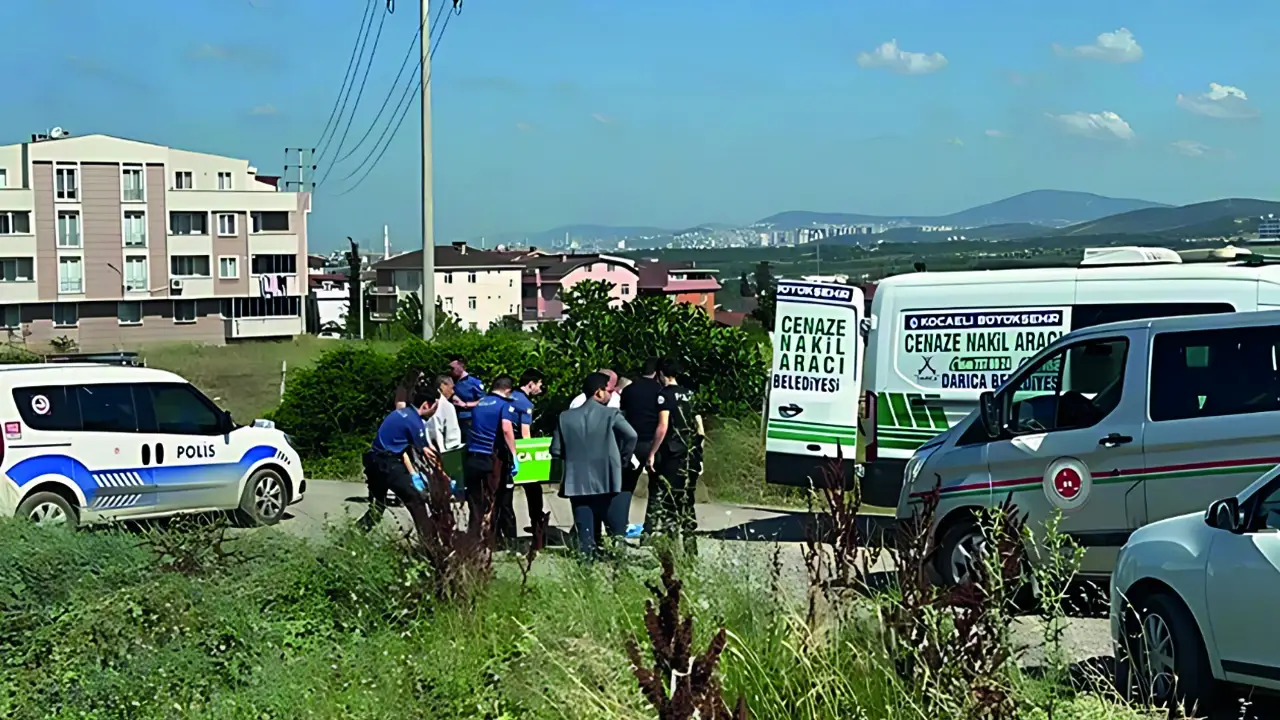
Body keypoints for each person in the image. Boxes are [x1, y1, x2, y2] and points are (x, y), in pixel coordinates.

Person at [551, 372, 638, 558]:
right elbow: (632, 436)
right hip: (608, 479)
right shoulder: (612, 414)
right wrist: (623, 459)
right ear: (598, 392)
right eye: (607, 390)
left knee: (585, 532)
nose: (610, 394)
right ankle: (616, 565)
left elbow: (556, 450)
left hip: (577, 482)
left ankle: (586, 565)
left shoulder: (564, 417)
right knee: (615, 528)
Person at [359, 383, 441, 539]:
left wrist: (412, 474)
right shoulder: (415, 422)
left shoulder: (398, 414)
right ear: (426, 405)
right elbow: (426, 453)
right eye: (435, 407)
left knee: (377, 509)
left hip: (374, 463)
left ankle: (348, 539)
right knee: (416, 501)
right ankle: (432, 548)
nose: (435, 412)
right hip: (388, 465)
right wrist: (446, 473)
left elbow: (401, 448)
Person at [646, 358, 705, 552]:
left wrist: (652, 452)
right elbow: (700, 430)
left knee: (670, 500)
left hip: (673, 452)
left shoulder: (664, 396)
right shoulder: (691, 395)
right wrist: (699, 453)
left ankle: (670, 546)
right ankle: (690, 546)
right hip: (691, 453)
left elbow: (663, 426)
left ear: (662, 374)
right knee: (688, 499)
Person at [463, 374, 520, 543]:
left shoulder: (480, 403)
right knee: (495, 500)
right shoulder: (505, 405)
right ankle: (495, 540)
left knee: (475, 503)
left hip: (472, 457)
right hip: (490, 458)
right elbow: (507, 430)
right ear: (508, 391)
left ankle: (473, 540)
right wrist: (514, 455)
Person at [622, 357, 663, 530]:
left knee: (626, 487)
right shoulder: (661, 391)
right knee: (655, 488)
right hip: (655, 443)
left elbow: (623, 415)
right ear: (657, 373)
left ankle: (620, 525)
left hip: (633, 443)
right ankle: (649, 528)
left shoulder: (629, 390)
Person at [511, 369, 546, 536]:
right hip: (518, 450)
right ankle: (537, 524)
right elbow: (525, 434)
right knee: (534, 491)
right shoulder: (525, 404)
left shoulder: (510, 396)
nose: (541, 387)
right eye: (539, 384)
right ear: (530, 383)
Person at [448, 355, 486, 444]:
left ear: (461, 365)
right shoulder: (451, 381)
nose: (451, 371)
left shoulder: (474, 382)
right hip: (455, 419)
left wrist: (465, 404)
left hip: (469, 419)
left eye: (452, 368)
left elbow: (484, 401)